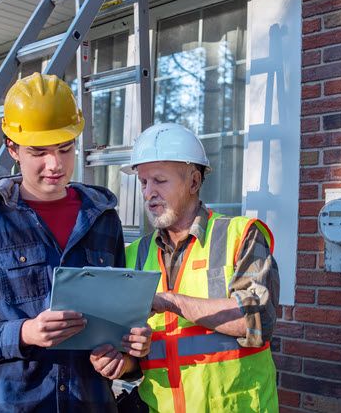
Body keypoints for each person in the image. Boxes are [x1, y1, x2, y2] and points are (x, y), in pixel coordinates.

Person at [0, 73, 151, 412]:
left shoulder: (103, 220)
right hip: (13, 405)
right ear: (12, 148)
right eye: (38, 152)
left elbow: (121, 322)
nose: (54, 164)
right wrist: (24, 332)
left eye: (65, 148)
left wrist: (126, 353)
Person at [97, 123, 281, 412]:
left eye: (159, 180)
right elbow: (138, 357)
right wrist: (123, 363)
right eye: (144, 183)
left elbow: (258, 322)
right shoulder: (133, 256)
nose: (148, 193)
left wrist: (169, 301)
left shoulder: (240, 235)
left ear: (194, 182)